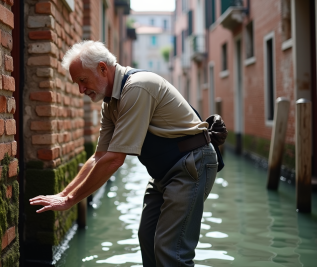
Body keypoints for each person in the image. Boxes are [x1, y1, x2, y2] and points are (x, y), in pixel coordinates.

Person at [29, 40, 219, 267]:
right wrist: (64, 193)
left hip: (192, 165)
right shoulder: (110, 103)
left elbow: (114, 160)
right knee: (148, 239)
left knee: (171, 251)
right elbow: (99, 156)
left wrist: (71, 200)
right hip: (165, 172)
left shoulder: (137, 87)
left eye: (82, 80)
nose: (81, 90)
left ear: (102, 68)